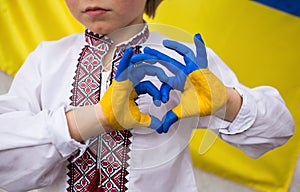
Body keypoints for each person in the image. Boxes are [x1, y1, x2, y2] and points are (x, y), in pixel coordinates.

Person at [0, 0, 294, 191]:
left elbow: (280, 130)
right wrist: (94, 119)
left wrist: (226, 103)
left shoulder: (182, 61)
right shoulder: (46, 60)